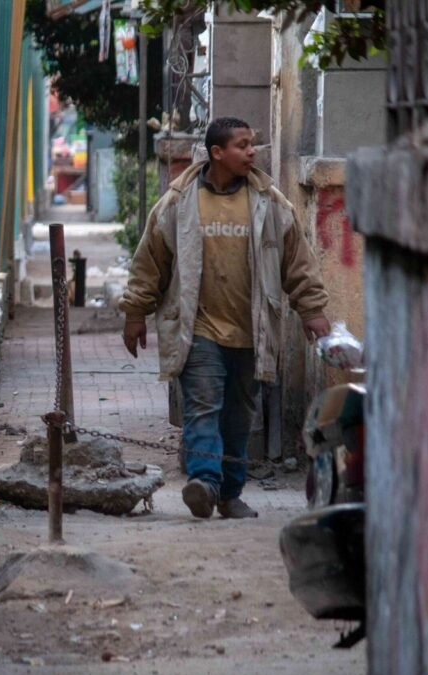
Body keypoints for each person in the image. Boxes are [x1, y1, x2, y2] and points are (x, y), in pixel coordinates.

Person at [118, 117, 331, 520]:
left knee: (238, 418)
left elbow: (297, 261)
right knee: (202, 407)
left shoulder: (270, 202)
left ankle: (231, 494)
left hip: (253, 330)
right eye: (242, 145)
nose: (252, 152)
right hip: (197, 329)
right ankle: (204, 482)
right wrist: (135, 312)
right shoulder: (178, 203)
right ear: (217, 153)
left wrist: (313, 310)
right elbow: (150, 262)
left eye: (252, 144)